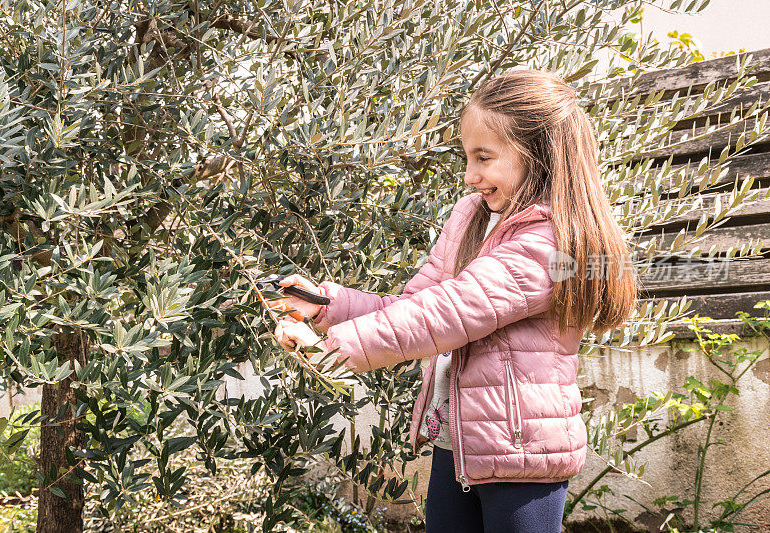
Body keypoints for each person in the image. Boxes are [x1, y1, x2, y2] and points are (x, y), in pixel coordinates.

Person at [272, 69, 636, 533]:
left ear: (538, 154)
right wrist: (326, 305)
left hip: (522, 454)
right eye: (468, 158)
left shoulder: (551, 241)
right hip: (457, 442)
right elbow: (416, 304)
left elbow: (448, 313)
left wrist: (328, 350)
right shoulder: (472, 217)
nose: (470, 176)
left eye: (484, 157)